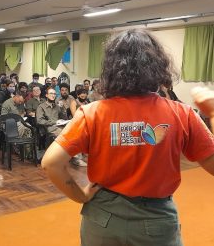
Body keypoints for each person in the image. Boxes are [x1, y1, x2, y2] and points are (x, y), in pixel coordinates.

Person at [42, 29, 214, 246]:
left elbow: (50, 163)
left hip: (102, 220)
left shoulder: (92, 113)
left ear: (112, 69)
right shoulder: (181, 114)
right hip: (155, 222)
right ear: (158, 65)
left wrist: (81, 196)